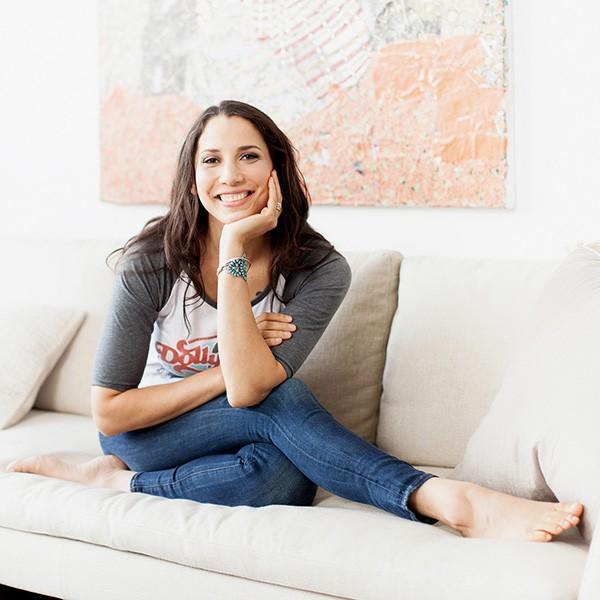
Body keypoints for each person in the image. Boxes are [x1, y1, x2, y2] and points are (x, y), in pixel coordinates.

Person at [6, 100, 583, 542]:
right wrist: (233, 343)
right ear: (191, 176)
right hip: (148, 432)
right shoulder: (153, 261)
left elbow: (248, 392)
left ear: (276, 168)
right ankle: (449, 500)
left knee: (281, 479)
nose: (230, 175)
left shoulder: (318, 268)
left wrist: (235, 267)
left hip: (239, 428)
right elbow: (112, 409)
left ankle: (114, 482)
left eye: (248, 156)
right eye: (212, 160)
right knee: (282, 398)